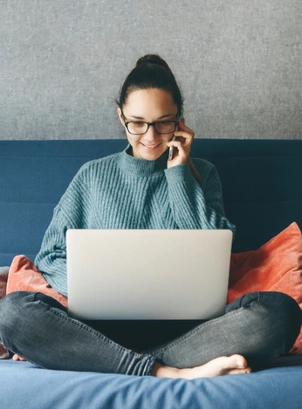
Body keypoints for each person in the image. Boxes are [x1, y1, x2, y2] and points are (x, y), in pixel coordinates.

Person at [0, 54, 300, 379]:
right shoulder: (91, 176)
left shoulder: (204, 175)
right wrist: (100, 289)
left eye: (164, 122)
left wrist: (179, 175)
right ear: (121, 117)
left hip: (189, 332)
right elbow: (50, 255)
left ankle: (132, 363)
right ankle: (167, 370)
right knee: (12, 313)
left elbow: (214, 251)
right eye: (137, 122)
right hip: (98, 329)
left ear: (180, 120)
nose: (151, 136)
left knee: (280, 312)